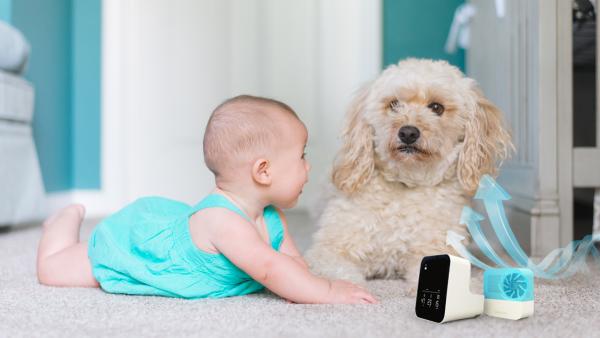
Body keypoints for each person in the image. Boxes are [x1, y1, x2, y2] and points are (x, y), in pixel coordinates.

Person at [36, 95, 378, 304]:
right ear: (263, 171)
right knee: (54, 271)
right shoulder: (224, 222)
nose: (308, 165)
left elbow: (291, 264)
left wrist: (303, 287)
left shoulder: (272, 217)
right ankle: (62, 224)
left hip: (180, 226)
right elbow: (270, 268)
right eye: (301, 157)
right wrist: (328, 291)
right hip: (144, 246)